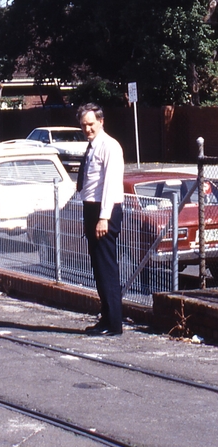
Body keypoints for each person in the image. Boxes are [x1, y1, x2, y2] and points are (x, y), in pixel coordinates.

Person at [77, 102, 125, 336]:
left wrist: (103, 218)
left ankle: (114, 324)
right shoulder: (92, 147)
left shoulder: (109, 146)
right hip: (93, 210)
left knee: (107, 269)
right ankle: (106, 318)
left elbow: (110, 185)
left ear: (101, 122)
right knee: (98, 268)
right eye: (84, 125)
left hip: (105, 211)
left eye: (91, 124)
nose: (87, 129)